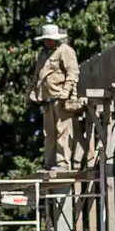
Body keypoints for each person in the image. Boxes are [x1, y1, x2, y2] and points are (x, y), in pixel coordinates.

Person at [28, 22, 81, 170]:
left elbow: (73, 73)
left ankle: (62, 163)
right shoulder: (42, 55)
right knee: (49, 134)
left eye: (49, 39)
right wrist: (32, 94)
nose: (47, 42)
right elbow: (37, 76)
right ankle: (49, 163)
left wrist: (66, 92)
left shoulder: (66, 51)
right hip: (46, 100)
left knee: (63, 132)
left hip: (61, 98)